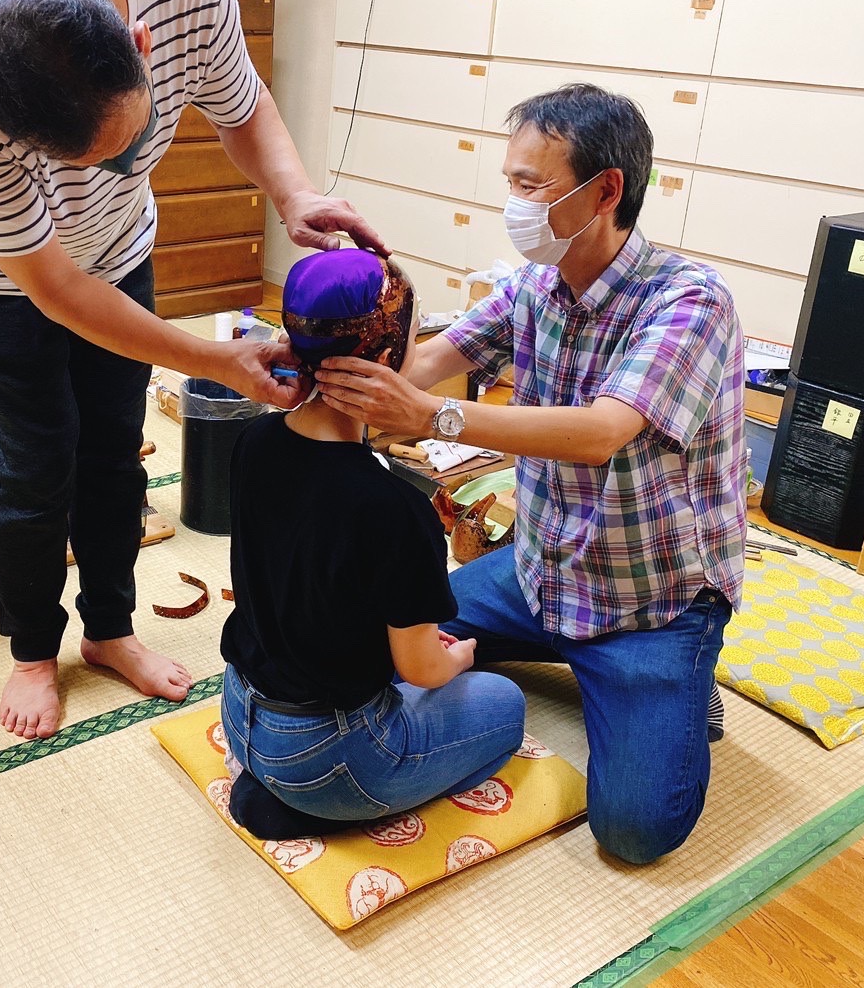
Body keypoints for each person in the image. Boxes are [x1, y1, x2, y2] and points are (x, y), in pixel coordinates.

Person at [0, 0, 383, 741]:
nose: (106, 168)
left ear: (140, 46)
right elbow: (55, 288)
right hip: (1, 279)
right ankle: (32, 651)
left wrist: (294, 193)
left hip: (120, 254)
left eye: (122, 145)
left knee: (113, 452)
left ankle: (108, 631)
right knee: (35, 466)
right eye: (74, 161)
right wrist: (211, 360)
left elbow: (244, 107)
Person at [314, 84, 746, 864]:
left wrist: (432, 416)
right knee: (380, 632)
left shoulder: (689, 302)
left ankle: (682, 674)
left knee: (635, 832)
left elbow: (602, 432)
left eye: (529, 186)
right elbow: (422, 364)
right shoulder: (531, 287)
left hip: (649, 603)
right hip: (540, 572)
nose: (512, 204)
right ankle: (569, 657)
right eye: (509, 181)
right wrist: (361, 308)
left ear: (605, 190)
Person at [219, 248, 526, 839]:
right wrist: (456, 658)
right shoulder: (395, 506)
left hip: (242, 708)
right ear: (387, 358)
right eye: (415, 335)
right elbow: (421, 668)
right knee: (503, 704)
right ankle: (319, 803)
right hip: (327, 749)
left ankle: (279, 785)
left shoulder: (255, 440)